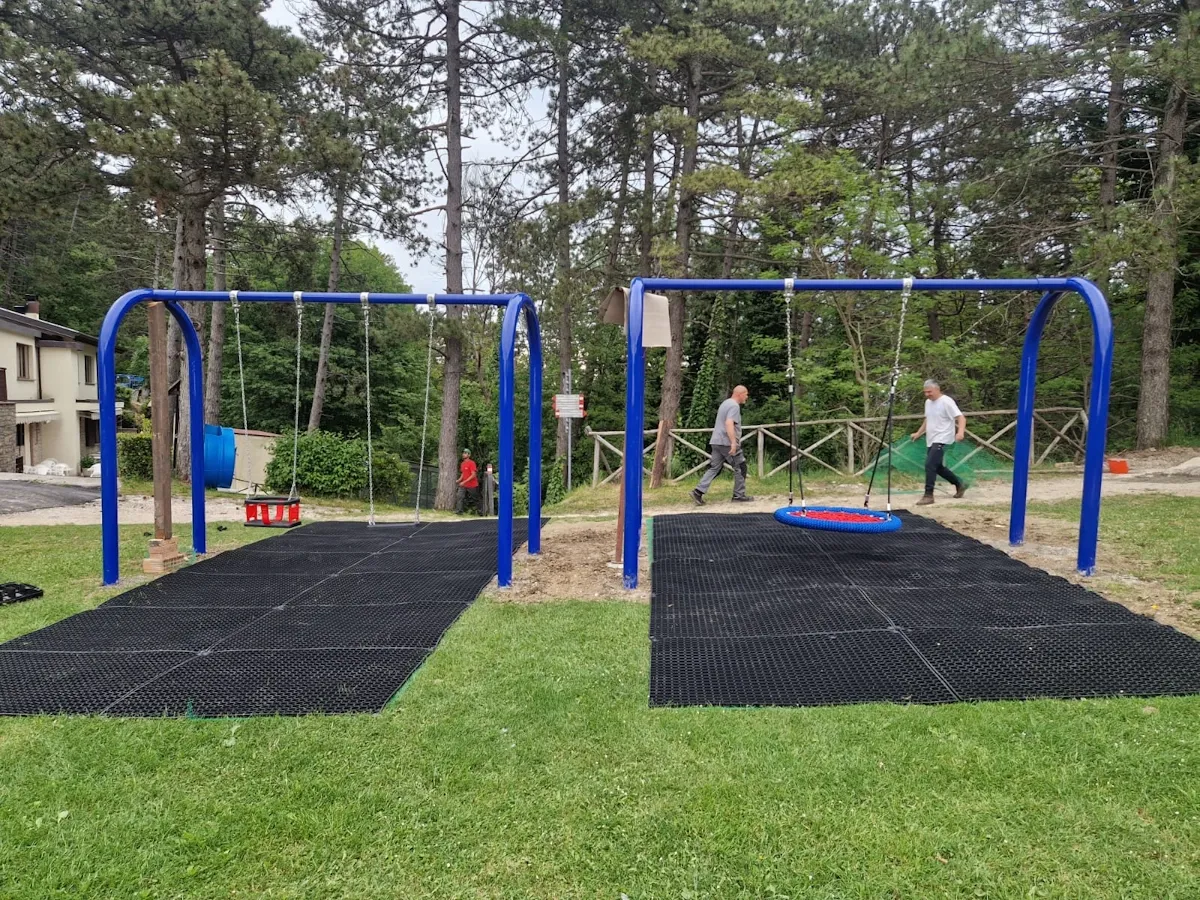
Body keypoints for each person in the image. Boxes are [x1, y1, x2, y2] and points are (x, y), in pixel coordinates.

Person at [691, 385, 754, 505]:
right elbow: (729, 423)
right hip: (726, 442)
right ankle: (738, 495)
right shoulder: (734, 406)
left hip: (716, 441)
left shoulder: (725, 403)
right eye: (746, 394)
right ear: (740, 394)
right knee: (741, 467)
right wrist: (733, 442)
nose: (747, 397)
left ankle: (698, 492)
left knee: (715, 468)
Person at [910, 379, 967, 505]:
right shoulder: (928, 403)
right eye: (925, 392)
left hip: (943, 437)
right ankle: (959, 483)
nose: (927, 395)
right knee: (937, 467)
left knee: (930, 464)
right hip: (931, 438)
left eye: (929, 392)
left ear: (937, 389)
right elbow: (927, 419)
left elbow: (961, 417)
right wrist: (918, 433)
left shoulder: (946, 401)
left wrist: (960, 432)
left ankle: (928, 495)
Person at [455, 447, 480, 514]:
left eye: (465, 453)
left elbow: (473, 475)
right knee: (459, 496)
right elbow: (463, 473)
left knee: (475, 499)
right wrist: (459, 480)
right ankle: (459, 511)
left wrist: (464, 481)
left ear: (469, 455)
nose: (463, 454)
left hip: (472, 485)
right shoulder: (462, 464)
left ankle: (481, 512)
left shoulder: (472, 463)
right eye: (463, 453)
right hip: (464, 485)